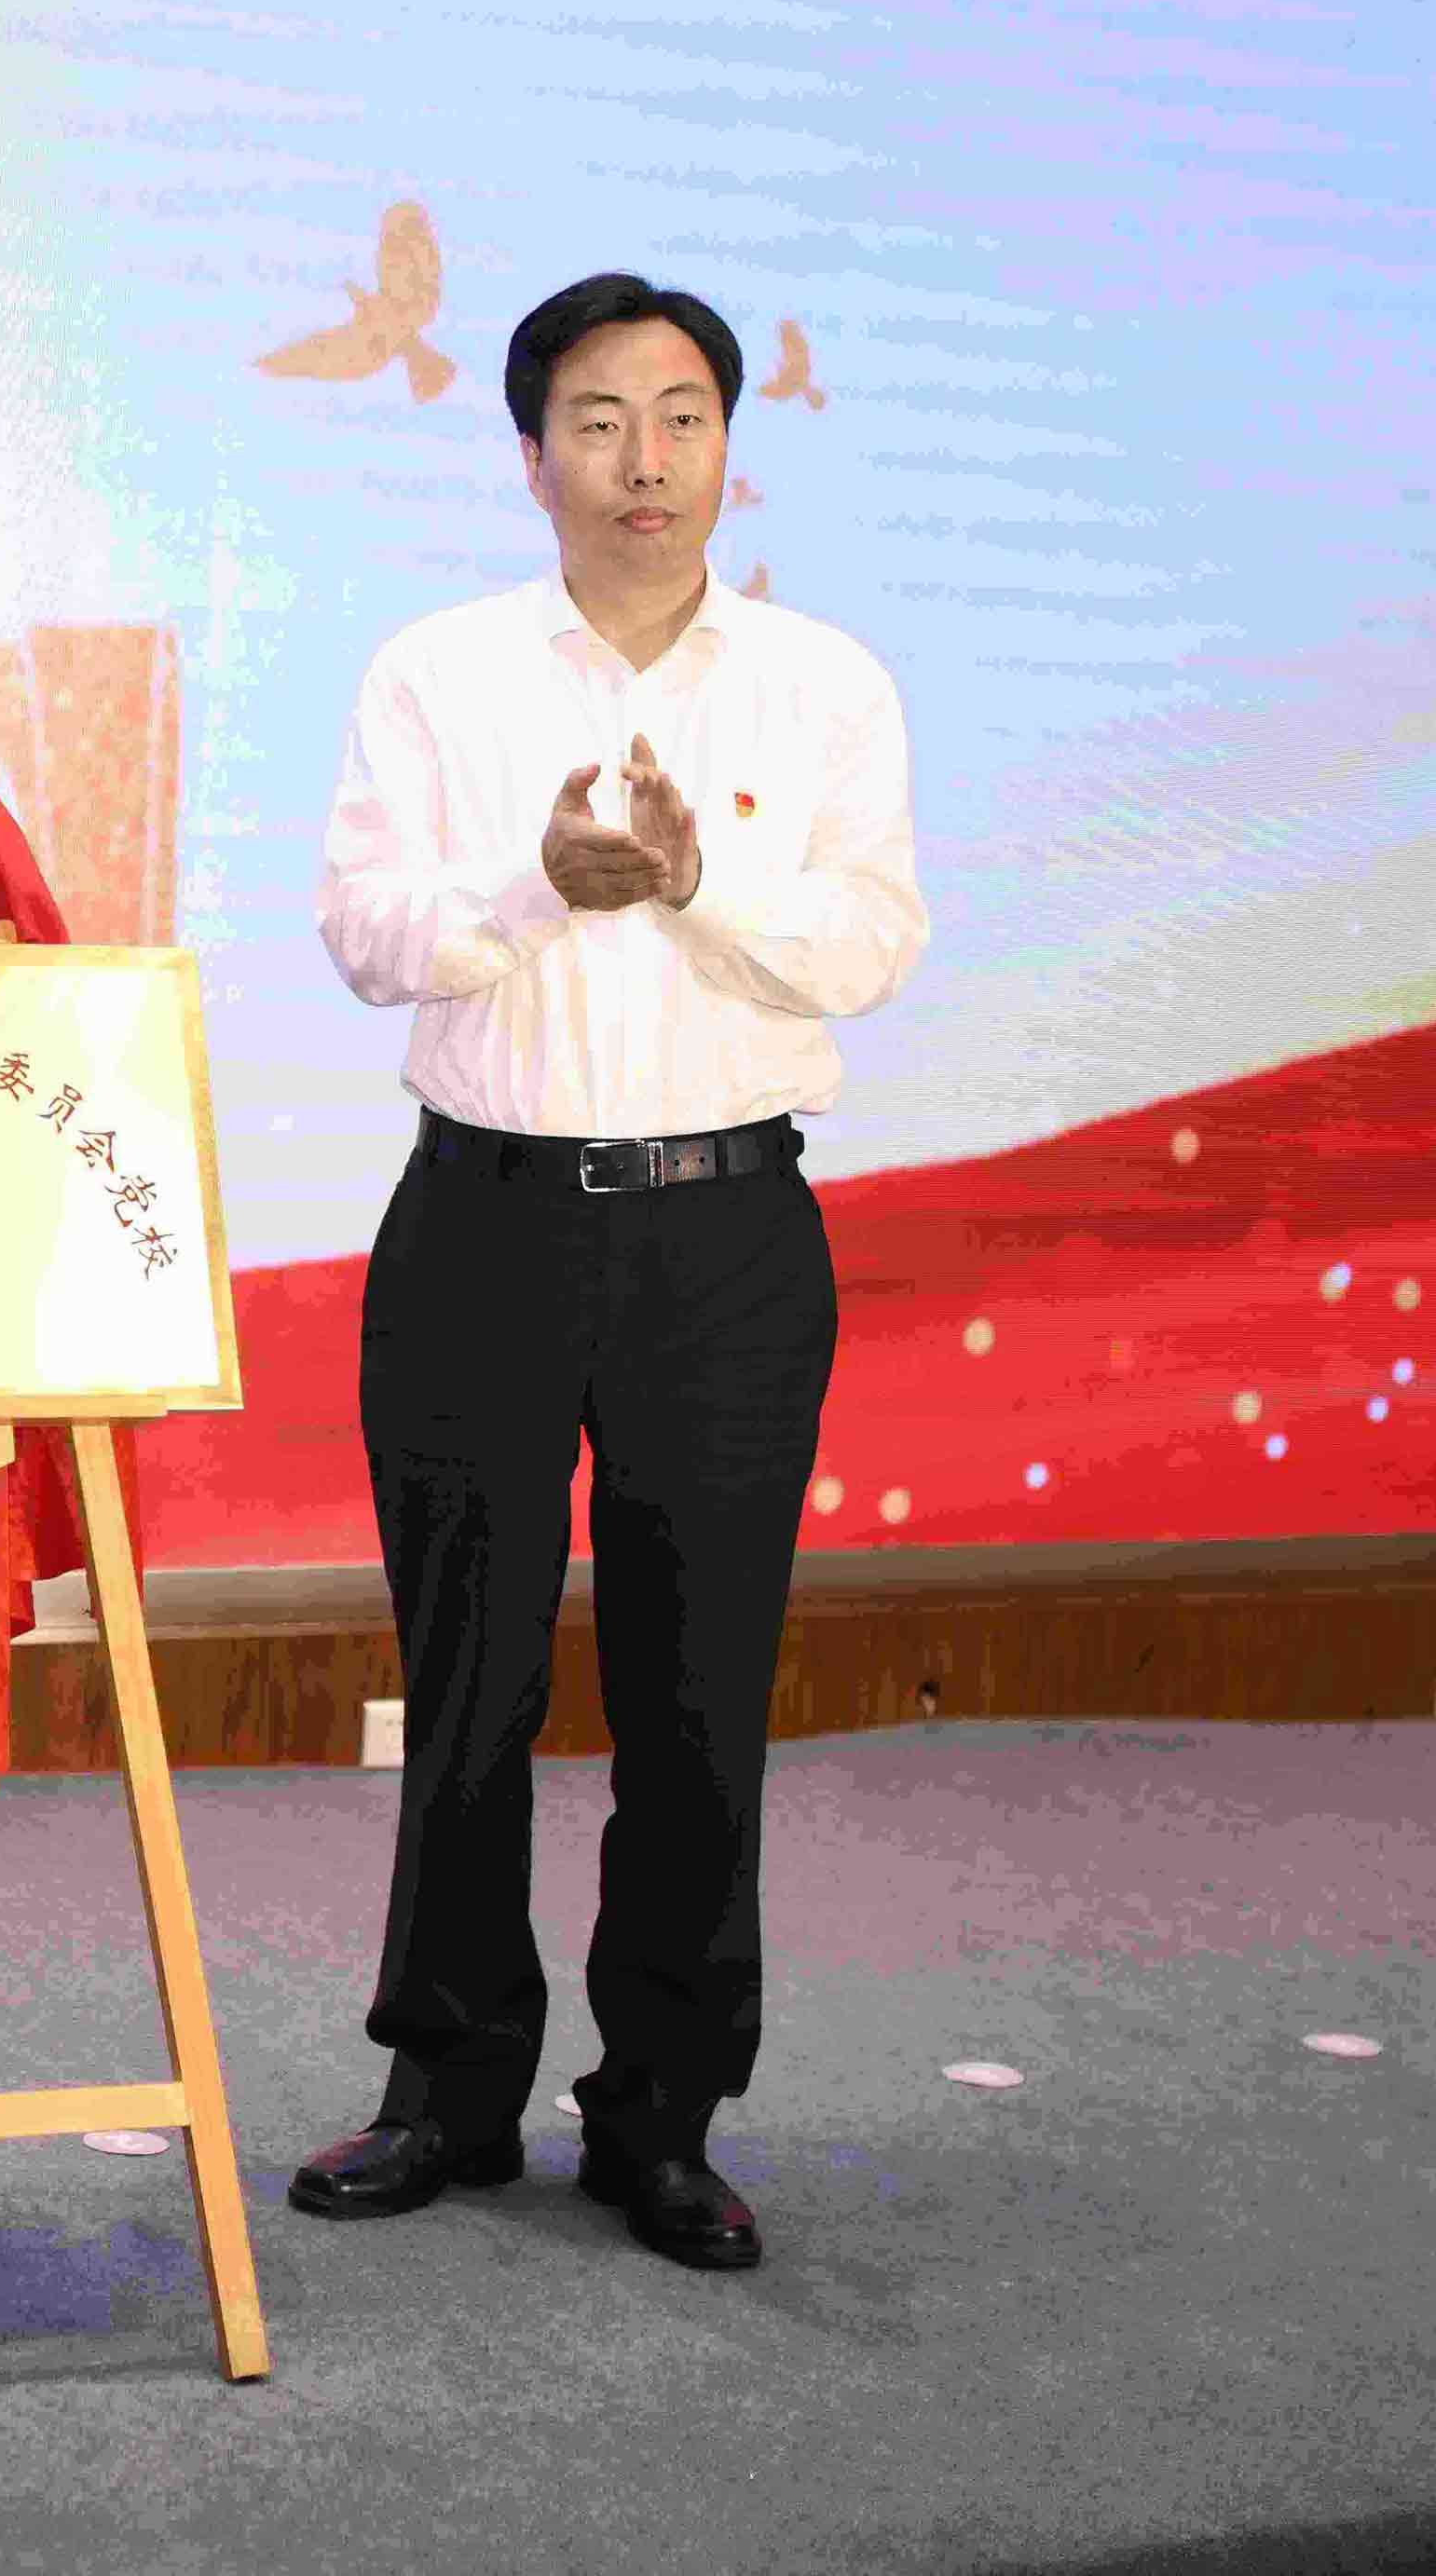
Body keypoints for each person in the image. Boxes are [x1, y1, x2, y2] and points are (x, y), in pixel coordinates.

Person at [291, 270, 927, 2271]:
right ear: (531, 453)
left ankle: (663, 2116)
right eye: (596, 419)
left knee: (698, 1689)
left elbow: (872, 943)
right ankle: (448, 2086)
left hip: (724, 1237)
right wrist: (534, 889)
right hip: (481, 1222)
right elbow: (367, 932)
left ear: (730, 445)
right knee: (466, 1677)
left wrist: (692, 882)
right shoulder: (437, 673)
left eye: (680, 417)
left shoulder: (823, 685)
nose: (642, 460)